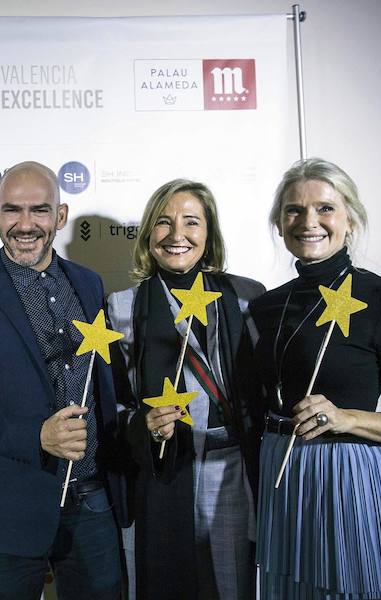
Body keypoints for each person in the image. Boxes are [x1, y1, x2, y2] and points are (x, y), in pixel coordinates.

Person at [0, 161, 128, 600]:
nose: (25, 224)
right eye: (12, 210)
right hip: (11, 508)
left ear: (60, 216)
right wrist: (37, 436)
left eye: (39, 210)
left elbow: (106, 386)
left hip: (93, 500)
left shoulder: (89, 284)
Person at [251, 158, 381, 599]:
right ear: (279, 223)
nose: (309, 222)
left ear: (350, 219)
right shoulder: (267, 305)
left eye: (325, 208)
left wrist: (348, 418)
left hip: (348, 473)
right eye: (293, 210)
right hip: (279, 470)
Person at [106, 179, 264, 600]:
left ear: (208, 233)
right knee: (166, 585)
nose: (178, 235)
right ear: (148, 235)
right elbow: (115, 404)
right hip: (164, 470)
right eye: (164, 222)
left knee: (234, 587)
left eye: (191, 222)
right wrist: (145, 424)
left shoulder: (247, 296)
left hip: (232, 466)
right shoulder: (123, 306)